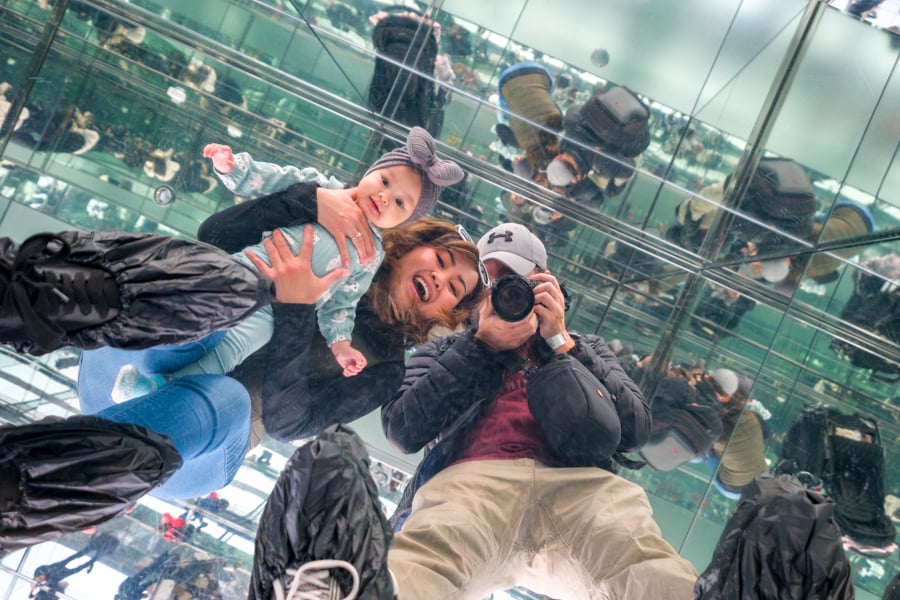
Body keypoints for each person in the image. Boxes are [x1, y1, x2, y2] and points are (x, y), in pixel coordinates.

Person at [251, 223, 698, 599]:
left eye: (516, 282)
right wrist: (480, 347)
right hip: (472, 480)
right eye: (492, 284)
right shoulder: (446, 347)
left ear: (546, 285)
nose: (503, 294)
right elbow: (403, 428)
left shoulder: (584, 345)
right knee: (419, 565)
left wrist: (562, 341)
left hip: (583, 484)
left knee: (642, 566)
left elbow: (636, 428)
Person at [110, 127, 463, 402]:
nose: (385, 196)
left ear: (404, 222)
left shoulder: (371, 256)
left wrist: (340, 345)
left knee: (227, 354)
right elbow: (271, 178)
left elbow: (341, 304)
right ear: (373, 170)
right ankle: (137, 329)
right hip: (248, 267)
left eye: (400, 203)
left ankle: (159, 389)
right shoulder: (321, 187)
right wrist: (233, 168)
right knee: (196, 303)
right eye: (385, 181)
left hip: (274, 314)